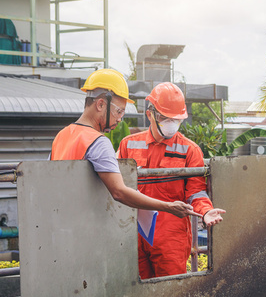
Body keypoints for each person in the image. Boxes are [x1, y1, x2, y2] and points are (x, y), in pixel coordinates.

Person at [51, 68, 198, 219]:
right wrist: (168, 206)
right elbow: (119, 192)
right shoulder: (98, 142)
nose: (120, 119)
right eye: (119, 111)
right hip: (86, 224)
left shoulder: (61, 136)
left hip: (62, 221)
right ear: (101, 105)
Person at [118, 82, 225, 279]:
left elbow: (196, 191)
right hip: (132, 233)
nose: (170, 123)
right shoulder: (128, 144)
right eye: (164, 117)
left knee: (169, 293)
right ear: (150, 114)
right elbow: (117, 187)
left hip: (170, 237)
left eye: (175, 119)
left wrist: (206, 211)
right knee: (135, 296)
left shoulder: (190, 150)